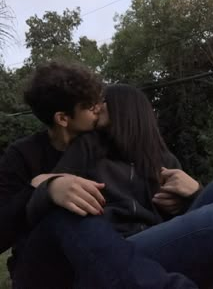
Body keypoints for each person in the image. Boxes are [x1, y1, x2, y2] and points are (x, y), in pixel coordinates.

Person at [0, 62, 199, 289]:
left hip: (114, 257)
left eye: (99, 100)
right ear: (63, 118)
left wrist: (195, 194)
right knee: (71, 212)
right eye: (89, 105)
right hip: (45, 265)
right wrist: (42, 189)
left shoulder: (108, 145)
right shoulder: (23, 154)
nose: (99, 107)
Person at [20, 84, 213, 288]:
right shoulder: (88, 147)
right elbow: (48, 198)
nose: (95, 107)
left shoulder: (164, 161)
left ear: (124, 109)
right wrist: (52, 185)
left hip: (159, 245)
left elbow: (182, 226)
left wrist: (195, 193)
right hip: (116, 250)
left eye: (103, 101)